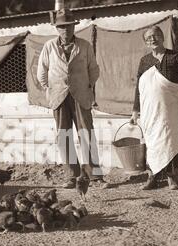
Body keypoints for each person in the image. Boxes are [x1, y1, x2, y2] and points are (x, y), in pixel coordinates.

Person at [37, 8, 110, 189]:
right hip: (59, 97)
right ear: (57, 28)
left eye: (69, 27)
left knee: (86, 134)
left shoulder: (84, 45)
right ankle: (72, 175)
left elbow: (94, 70)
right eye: (62, 27)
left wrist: (85, 86)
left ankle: (95, 176)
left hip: (81, 96)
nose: (66, 30)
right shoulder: (49, 47)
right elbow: (42, 73)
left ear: (73, 27)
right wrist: (51, 88)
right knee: (64, 136)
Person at [130, 26, 178, 190]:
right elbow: (140, 87)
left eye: (156, 35)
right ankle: (153, 177)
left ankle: (172, 177)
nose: (153, 39)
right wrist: (135, 110)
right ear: (145, 42)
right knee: (153, 142)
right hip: (151, 110)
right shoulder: (144, 61)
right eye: (149, 37)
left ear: (162, 37)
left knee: (170, 140)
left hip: (171, 109)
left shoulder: (174, 57)